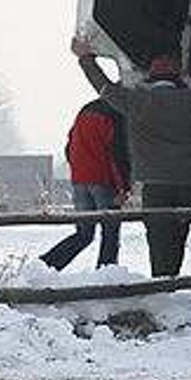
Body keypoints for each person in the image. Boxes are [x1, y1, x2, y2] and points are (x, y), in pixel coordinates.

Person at [72, 41, 191, 278]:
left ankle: (161, 281)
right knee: (180, 231)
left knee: (158, 235)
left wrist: (86, 58)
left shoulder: (136, 101)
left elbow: (103, 88)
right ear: (178, 77)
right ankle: (172, 276)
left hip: (155, 183)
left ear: (151, 77)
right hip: (190, 181)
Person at [37, 97, 131, 270]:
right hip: (103, 180)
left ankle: (47, 264)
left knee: (84, 234)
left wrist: (78, 169)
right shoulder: (115, 115)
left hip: (80, 180)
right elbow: (118, 155)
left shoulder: (84, 112)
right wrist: (123, 188)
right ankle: (106, 272)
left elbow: (69, 147)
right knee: (110, 231)